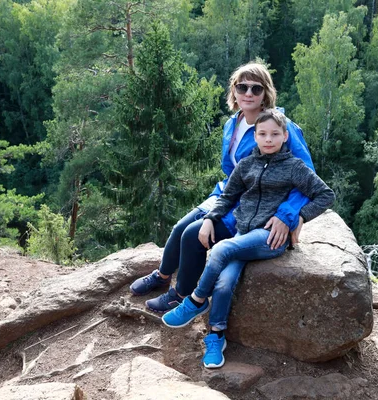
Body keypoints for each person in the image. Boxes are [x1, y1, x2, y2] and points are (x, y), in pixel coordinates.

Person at [129, 62, 314, 314]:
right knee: (180, 227)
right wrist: (219, 200)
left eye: (256, 88)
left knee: (193, 235)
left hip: (252, 203)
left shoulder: (280, 127)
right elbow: (233, 171)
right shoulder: (233, 124)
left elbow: (307, 176)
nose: (248, 93)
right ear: (234, 91)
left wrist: (288, 215)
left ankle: (181, 295)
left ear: (266, 94)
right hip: (229, 192)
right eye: (242, 87)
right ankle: (162, 276)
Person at [162, 109, 335, 368]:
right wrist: (210, 218)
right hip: (243, 232)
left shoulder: (294, 167)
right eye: (262, 134)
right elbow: (227, 197)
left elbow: (325, 194)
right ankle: (216, 335)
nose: (268, 139)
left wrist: (300, 217)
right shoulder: (246, 165)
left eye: (275, 134)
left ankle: (196, 301)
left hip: (269, 237)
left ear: (285, 136)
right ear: (254, 137)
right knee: (223, 284)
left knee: (220, 250)